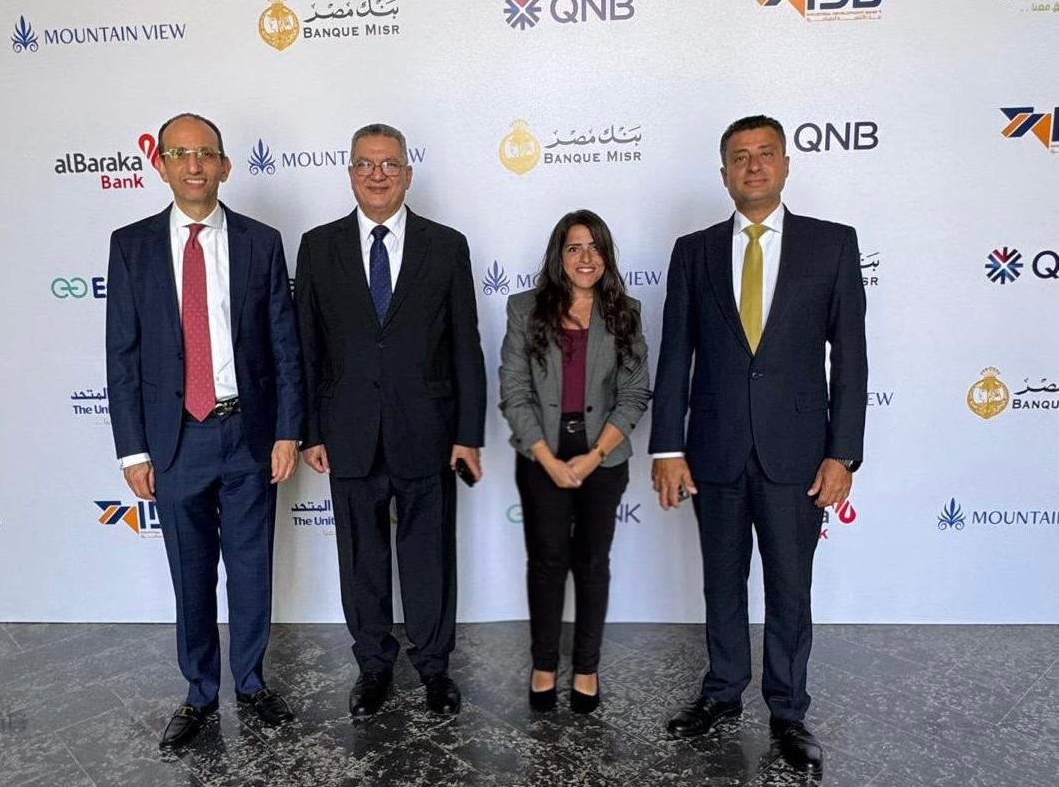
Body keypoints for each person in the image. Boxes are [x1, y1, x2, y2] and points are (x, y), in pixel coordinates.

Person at [650, 115, 867, 776]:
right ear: (724, 174)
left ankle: (788, 710)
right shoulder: (693, 251)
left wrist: (842, 453)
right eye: (739, 157)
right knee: (721, 583)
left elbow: (851, 358)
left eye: (765, 153)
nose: (753, 165)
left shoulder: (831, 245)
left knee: (790, 588)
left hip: (797, 453)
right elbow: (675, 355)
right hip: (713, 448)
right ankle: (721, 693)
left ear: (785, 165)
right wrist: (667, 448)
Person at [106, 113, 303, 748]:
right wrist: (132, 451)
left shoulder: (261, 241)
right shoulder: (131, 245)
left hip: (248, 433)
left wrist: (288, 432)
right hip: (175, 441)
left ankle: (251, 682)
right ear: (160, 165)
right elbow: (122, 355)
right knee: (190, 574)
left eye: (206, 153)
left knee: (251, 569)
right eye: (180, 153)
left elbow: (285, 346)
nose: (194, 165)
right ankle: (199, 692)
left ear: (224, 165)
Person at [295, 122, 486, 717]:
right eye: (365, 163)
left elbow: (465, 344)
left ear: (408, 173)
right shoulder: (317, 246)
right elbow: (306, 348)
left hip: (428, 430)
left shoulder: (446, 245)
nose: (377, 174)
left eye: (389, 164)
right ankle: (373, 666)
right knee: (361, 559)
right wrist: (310, 431)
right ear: (350, 173)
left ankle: (434, 667)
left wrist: (468, 434)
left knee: (429, 557)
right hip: (347, 432)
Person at [499, 211, 650, 714]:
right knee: (546, 563)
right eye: (573, 248)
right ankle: (544, 665)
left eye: (594, 247)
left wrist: (593, 457)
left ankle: (587, 667)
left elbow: (634, 394)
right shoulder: (525, 309)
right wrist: (546, 457)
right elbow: (515, 389)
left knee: (591, 563)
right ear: (558, 256)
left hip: (603, 456)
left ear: (606, 255)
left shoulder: (626, 312)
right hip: (540, 452)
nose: (586, 258)